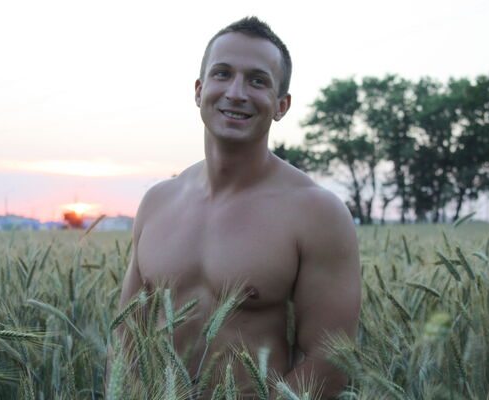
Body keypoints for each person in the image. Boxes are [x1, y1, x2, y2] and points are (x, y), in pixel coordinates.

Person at [116, 16, 361, 399]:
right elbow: (127, 336)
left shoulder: (316, 212)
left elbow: (330, 361)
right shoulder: (157, 202)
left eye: (257, 81)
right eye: (222, 74)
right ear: (199, 91)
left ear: (281, 105)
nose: (236, 92)